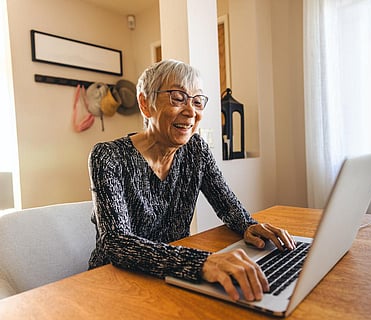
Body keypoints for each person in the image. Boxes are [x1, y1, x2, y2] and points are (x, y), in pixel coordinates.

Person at [88, 59, 296, 302]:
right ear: (146, 104)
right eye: (177, 98)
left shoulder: (196, 150)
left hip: (171, 277)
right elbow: (117, 244)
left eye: (197, 101)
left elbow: (226, 204)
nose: (191, 112)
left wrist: (249, 225)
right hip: (114, 282)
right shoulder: (108, 156)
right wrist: (201, 263)